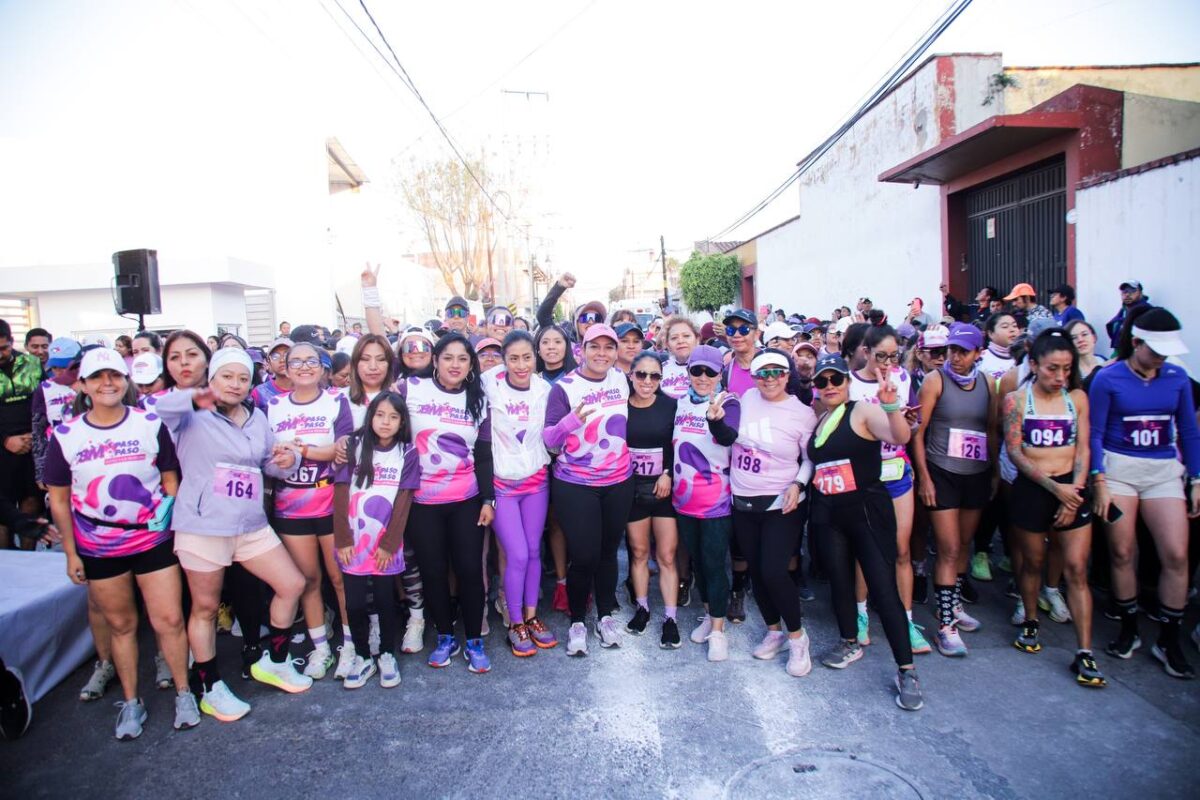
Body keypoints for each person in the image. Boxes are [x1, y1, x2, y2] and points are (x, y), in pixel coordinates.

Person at [43, 347, 197, 738]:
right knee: (122, 625)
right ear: (82, 385)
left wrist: (167, 514)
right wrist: (70, 552)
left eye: (114, 375)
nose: (107, 383)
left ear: (126, 380)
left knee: (169, 620)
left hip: (152, 540)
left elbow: (169, 477)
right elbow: (59, 499)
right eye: (97, 377)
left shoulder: (148, 423)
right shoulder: (65, 435)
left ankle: (183, 692)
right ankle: (131, 702)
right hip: (99, 548)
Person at [155, 349, 313, 720]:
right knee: (206, 608)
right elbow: (164, 409)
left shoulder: (256, 417)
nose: (235, 384)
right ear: (211, 379)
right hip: (204, 527)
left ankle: (274, 660)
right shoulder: (191, 415)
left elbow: (269, 463)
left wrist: (291, 460)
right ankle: (211, 687)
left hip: (249, 524)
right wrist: (197, 395)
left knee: (291, 585)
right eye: (226, 376)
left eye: (242, 378)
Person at [807, 354, 924, 710]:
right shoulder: (822, 419)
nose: (829, 387)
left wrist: (890, 407)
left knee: (882, 587)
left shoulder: (862, 410)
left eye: (836, 380)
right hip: (829, 511)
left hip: (866, 512)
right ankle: (848, 641)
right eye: (822, 382)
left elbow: (899, 435)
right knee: (840, 582)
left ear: (847, 382)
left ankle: (906, 669)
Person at [1089, 306, 1199, 679]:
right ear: (1135, 343)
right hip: (1119, 469)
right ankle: (1129, 626)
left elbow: (1188, 430)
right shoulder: (1108, 378)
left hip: (1163, 471)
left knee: (1177, 553)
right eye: (1154, 350)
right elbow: (1096, 432)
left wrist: (1195, 479)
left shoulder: (1178, 378)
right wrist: (1099, 478)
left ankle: (1169, 638)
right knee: (1122, 550)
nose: (1161, 358)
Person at [1002, 330, 1106, 687]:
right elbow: (1015, 451)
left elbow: (1083, 447)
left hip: (1071, 489)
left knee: (1076, 569)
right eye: (1051, 369)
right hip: (1034, 489)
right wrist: (1054, 490)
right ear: (1034, 365)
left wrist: (1074, 492)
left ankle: (1084, 650)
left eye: (1066, 368)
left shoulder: (1077, 398)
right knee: (1032, 561)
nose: (1059, 376)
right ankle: (1031, 619)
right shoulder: (1017, 400)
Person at [398, 332, 495, 672]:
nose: (455, 364)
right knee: (433, 572)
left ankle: (473, 640)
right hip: (422, 502)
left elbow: (483, 456)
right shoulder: (411, 389)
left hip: (466, 500)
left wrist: (488, 499)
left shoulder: (478, 399)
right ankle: (443, 636)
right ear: (435, 360)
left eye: (463, 359)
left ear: (471, 365)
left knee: (470, 571)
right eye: (448, 357)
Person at [717, 349, 815, 676]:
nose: (769, 379)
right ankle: (774, 631)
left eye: (777, 372)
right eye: (763, 374)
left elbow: (809, 458)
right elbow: (727, 435)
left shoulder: (802, 413)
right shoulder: (744, 399)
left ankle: (798, 638)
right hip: (743, 500)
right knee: (756, 572)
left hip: (781, 503)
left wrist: (799, 485)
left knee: (774, 571)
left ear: (788, 375)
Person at [543, 324, 635, 655]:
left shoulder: (620, 380)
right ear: (581, 350)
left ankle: (606, 616)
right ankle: (578, 621)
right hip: (575, 484)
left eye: (608, 347)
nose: (601, 354)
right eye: (593, 347)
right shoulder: (563, 388)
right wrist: (570, 422)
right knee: (583, 556)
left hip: (619, 481)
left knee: (609, 553)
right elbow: (550, 441)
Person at [266, 342, 356, 681]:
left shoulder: (337, 400)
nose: (304, 367)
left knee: (340, 578)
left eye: (312, 361)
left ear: (323, 368)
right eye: (295, 361)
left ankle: (349, 645)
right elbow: (269, 455)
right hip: (291, 504)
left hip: (330, 500)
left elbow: (344, 450)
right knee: (308, 581)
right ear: (285, 369)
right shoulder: (272, 406)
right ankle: (320, 648)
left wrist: (299, 449)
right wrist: (318, 451)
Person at [911, 322, 996, 658]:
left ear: (978, 353)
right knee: (946, 548)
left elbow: (991, 428)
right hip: (942, 471)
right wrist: (925, 478)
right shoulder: (935, 381)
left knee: (963, 545)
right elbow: (918, 431)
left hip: (975, 472)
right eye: (951, 351)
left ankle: (954, 604)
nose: (955, 357)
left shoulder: (988, 383)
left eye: (963, 352)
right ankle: (945, 624)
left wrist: (994, 473)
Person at [847, 325, 930, 655]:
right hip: (863, 476)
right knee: (866, 549)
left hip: (897, 471)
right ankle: (861, 613)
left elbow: (911, 428)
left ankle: (906, 620)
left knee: (901, 550)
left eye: (893, 356)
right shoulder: (849, 382)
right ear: (865, 352)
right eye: (880, 355)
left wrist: (908, 420)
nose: (887, 363)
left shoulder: (904, 379)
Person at [334, 391, 419, 689]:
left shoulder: (408, 452)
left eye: (393, 417)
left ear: (402, 422)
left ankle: (386, 654)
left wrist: (389, 544)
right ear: (370, 417)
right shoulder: (354, 446)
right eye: (380, 415)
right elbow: (341, 491)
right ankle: (361, 655)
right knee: (355, 604)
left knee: (385, 602)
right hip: (353, 544)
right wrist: (343, 538)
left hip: (386, 545)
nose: (386, 422)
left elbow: (404, 499)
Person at [480, 331, 556, 657]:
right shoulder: (489, 388)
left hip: (537, 482)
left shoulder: (545, 389)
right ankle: (514, 623)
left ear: (535, 357)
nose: (521, 365)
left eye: (527, 357)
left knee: (535, 552)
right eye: (514, 358)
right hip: (503, 486)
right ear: (504, 360)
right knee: (519, 555)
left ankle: (531, 616)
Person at [672, 345, 739, 661]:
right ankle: (708, 615)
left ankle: (718, 630)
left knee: (714, 565)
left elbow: (728, 436)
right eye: (696, 371)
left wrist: (715, 421)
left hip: (716, 504)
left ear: (719, 374)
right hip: (683, 502)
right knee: (698, 563)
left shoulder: (728, 402)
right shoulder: (681, 401)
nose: (702, 377)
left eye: (709, 372)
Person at [624, 351, 681, 647]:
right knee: (638, 552)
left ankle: (670, 617)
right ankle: (643, 608)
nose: (648, 381)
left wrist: (669, 472)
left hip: (662, 490)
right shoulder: (620, 406)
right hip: (632, 491)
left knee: (668, 555)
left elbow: (678, 442)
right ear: (631, 374)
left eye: (655, 376)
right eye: (642, 375)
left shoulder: (671, 405)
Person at [0, 318, 42, 520]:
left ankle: (29, 553)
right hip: (2, 447)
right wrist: (6, 440)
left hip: (32, 445)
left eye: (4, 348)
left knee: (32, 502)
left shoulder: (32, 364)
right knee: (3, 511)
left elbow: (44, 403)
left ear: (12, 341)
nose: (0, 354)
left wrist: (36, 435)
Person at [1104, 280, 1151, 355]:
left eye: (1132, 290)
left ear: (1140, 292)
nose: (1127, 294)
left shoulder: (1146, 311)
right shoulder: (1123, 311)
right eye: (1124, 291)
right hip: (1119, 353)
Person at [721, 308, 760, 397]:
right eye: (731, 330)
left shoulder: (772, 363)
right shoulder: (726, 372)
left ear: (757, 334)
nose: (736, 335)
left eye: (744, 329)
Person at [660, 316, 699, 400]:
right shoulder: (659, 370)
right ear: (667, 344)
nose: (681, 341)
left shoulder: (710, 369)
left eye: (686, 336)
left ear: (697, 339)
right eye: (674, 338)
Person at [250, 337, 294, 410]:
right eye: (275, 356)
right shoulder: (259, 392)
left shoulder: (306, 389)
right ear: (268, 362)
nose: (282, 360)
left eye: (287, 355)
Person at [978, 313, 1019, 387]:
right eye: (1005, 326)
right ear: (991, 333)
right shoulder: (981, 359)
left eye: (1014, 326)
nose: (1012, 330)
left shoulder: (1023, 358)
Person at [1065, 319, 1107, 385]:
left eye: (1084, 334)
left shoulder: (1105, 361)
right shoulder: (1069, 373)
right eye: (1073, 338)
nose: (1080, 340)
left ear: (1094, 337)